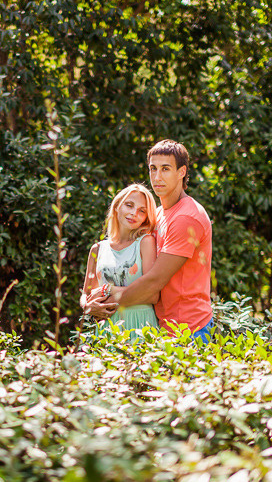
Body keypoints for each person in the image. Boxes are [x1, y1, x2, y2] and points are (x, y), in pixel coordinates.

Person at [84, 139, 213, 343]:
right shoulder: (159, 214)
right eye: (153, 169)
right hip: (160, 326)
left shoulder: (186, 217)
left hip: (189, 328)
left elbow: (154, 282)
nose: (157, 177)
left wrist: (104, 302)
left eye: (165, 169)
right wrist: (88, 302)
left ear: (182, 172)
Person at [80, 184, 160, 337]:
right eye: (129, 205)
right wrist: (87, 306)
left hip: (140, 326)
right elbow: (86, 294)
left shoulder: (145, 242)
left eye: (141, 211)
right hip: (106, 329)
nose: (133, 213)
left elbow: (152, 295)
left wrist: (108, 290)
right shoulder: (97, 249)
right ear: (117, 206)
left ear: (145, 218)